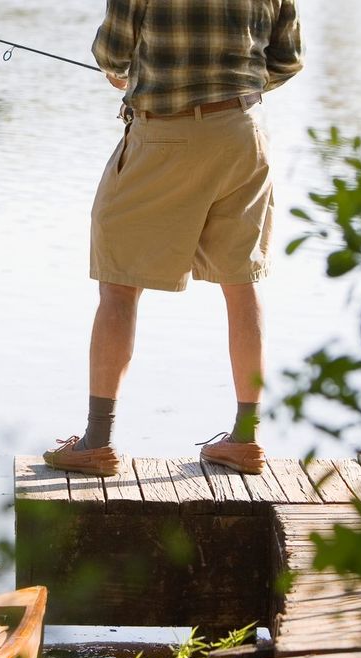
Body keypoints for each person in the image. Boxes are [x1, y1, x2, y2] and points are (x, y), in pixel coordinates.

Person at [44, 0, 304, 477]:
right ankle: (247, 439)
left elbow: (112, 51)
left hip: (163, 136)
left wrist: (121, 75)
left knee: (119, 285)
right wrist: (229, 88)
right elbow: (286, 61)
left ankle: (97, 442)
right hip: (244, 134)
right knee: (241, 284)